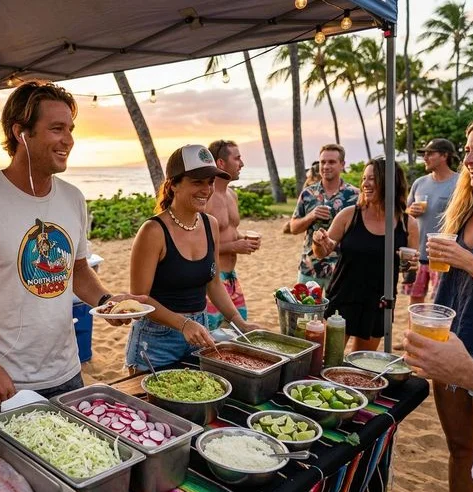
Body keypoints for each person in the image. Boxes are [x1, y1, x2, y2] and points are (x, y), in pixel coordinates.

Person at [0, 82, 143, 408]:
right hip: (6, 381)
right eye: (57, 129)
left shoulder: (73, 198)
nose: (69, 140)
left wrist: (106, 301)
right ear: (21, 133)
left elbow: (78, 270)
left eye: (70, 130)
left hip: (67, 372)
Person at [405, 103, 473, 492]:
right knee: (459, 450)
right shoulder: (465, 209)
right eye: (467, 151)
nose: (469, 159)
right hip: (450, 345)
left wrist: (468, 261)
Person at [125, 145, 259, 371]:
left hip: (200, 334)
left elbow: (214, 283)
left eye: (210, 182)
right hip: (156, 342)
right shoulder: (153, 231)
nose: (206, 189)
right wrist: (183, 324)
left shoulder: (210, 224)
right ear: (173, 184)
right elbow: (139, 300)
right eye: (197, 182)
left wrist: (240, 323)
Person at [312, 157, 419, 352]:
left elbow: (409, 274)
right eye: (364, 179)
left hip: (379, 303)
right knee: (329, 358)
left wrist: (411, 267)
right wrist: (318, 242)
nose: (365, 184)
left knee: (362, 363)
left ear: (390, 182)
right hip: (343, 298)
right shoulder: (349, 215)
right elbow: (322, 252)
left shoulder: (407, 224)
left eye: (372, 179)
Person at [203, 140, 259, 330]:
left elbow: (229, 231)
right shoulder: (206, 198)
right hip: (211, 280)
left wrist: (243, 239)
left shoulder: (232, 195)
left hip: (232, 278)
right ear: (220, 163)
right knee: (211, 337)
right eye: (237, 158)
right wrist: (233, 247)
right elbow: (197, 243)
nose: (241, 164)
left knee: (238, 333)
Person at [289, 144, 359, 290]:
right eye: (323, 162)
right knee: (304, 306)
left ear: (342, 165)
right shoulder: (307, 194)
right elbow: (293, 228)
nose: (326, 166)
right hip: (310, 268)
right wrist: (311, 216)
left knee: (338, 307)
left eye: (332, 162)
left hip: (342, 270)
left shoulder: (355, 195)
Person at [403, 138, 459, 304]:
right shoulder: (419, 183)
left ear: (444, 156)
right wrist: (410, 211)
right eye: (424, 154)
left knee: (441, 304)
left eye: (430, 154)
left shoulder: (459, 183)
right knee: (415, 300)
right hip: (418, 254)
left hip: (443, 257)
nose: (425, 158)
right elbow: (405, 213)